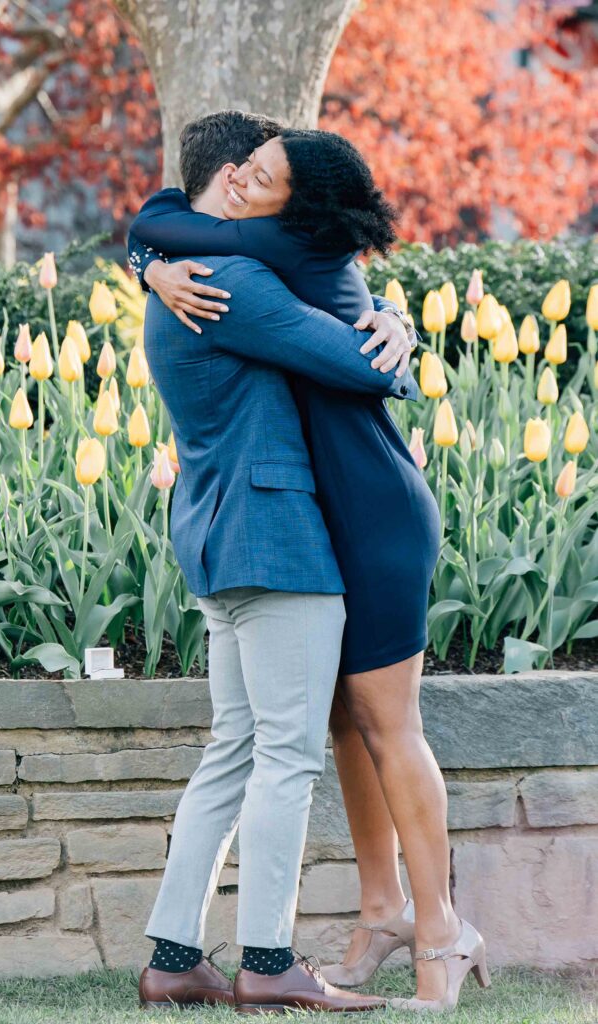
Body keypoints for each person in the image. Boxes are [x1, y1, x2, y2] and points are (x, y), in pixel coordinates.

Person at [130, 112, 490, 1014]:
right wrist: (388, 342)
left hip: (290, 525)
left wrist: (391, 320)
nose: (243, 191)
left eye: (265, 176)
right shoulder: (231, 277)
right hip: (279, 540)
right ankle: (266, 962)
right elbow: (358, 365)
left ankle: (187, 954)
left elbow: (165, 222)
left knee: (261, 746)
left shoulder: (228, 268)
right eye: (241, 173)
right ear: (217, 185)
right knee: (286, 752)